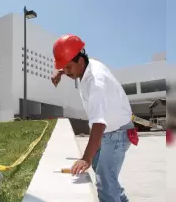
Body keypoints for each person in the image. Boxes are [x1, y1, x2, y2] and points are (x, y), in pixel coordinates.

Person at [51, 34, 134, 202]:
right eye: (63, 68)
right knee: (101, 168)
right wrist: (59, 72)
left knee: (105, 185)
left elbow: (98, 124)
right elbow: (71, 62)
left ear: (80, 61)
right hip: (111, 131)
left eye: (68, 68)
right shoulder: (86, 63)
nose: (66, 72)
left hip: (117, 134)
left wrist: (85, 158)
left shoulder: (96, 83)